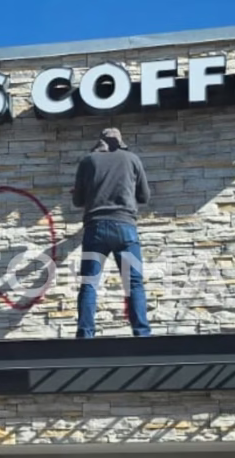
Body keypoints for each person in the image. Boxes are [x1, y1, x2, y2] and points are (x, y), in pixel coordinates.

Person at [71, 127, 152, 338]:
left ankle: (85, 335)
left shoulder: (88, 161)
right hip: (125, 229)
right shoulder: (132, 159)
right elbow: (144, 196)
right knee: (133, 283)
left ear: (100, 142)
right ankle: (142, 334)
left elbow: (78, 200)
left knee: (89, 283)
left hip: (95, 230)